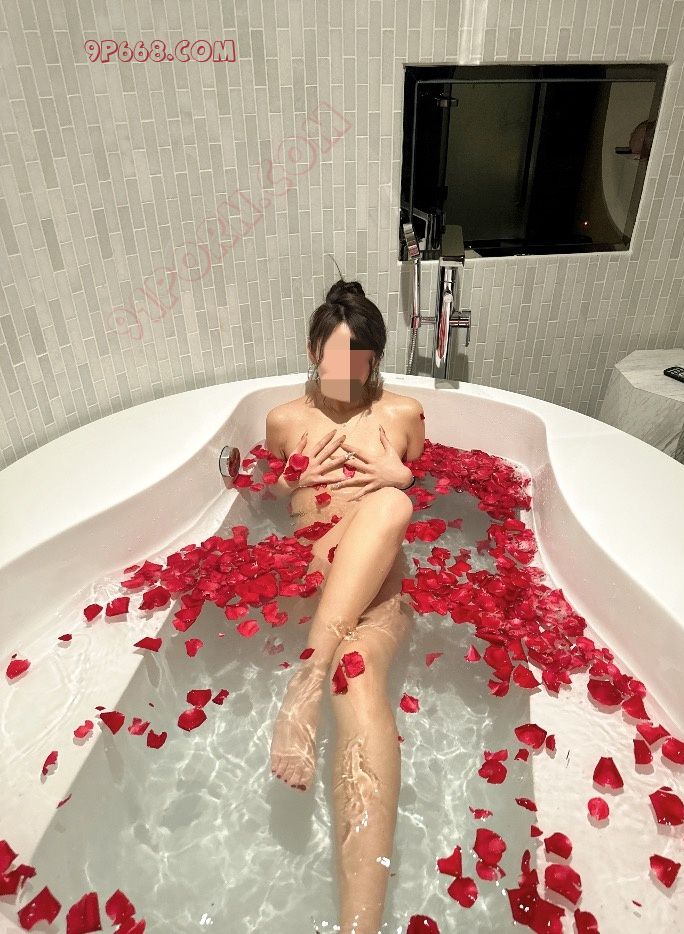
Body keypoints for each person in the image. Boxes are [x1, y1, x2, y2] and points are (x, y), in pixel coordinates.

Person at [265, 276, 425, 934]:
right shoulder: (283, 423)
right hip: (316, 590)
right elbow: (275, 503)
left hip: (381, 599)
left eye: (363, 363)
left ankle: (361, 922)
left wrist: (403, 476)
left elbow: (423, 494)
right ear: (312, 351)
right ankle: (313, 671)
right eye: (335, 361)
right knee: (349, 681)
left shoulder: (404, 415)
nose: (348, 377)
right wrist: (290, 482)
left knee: (390, 504)